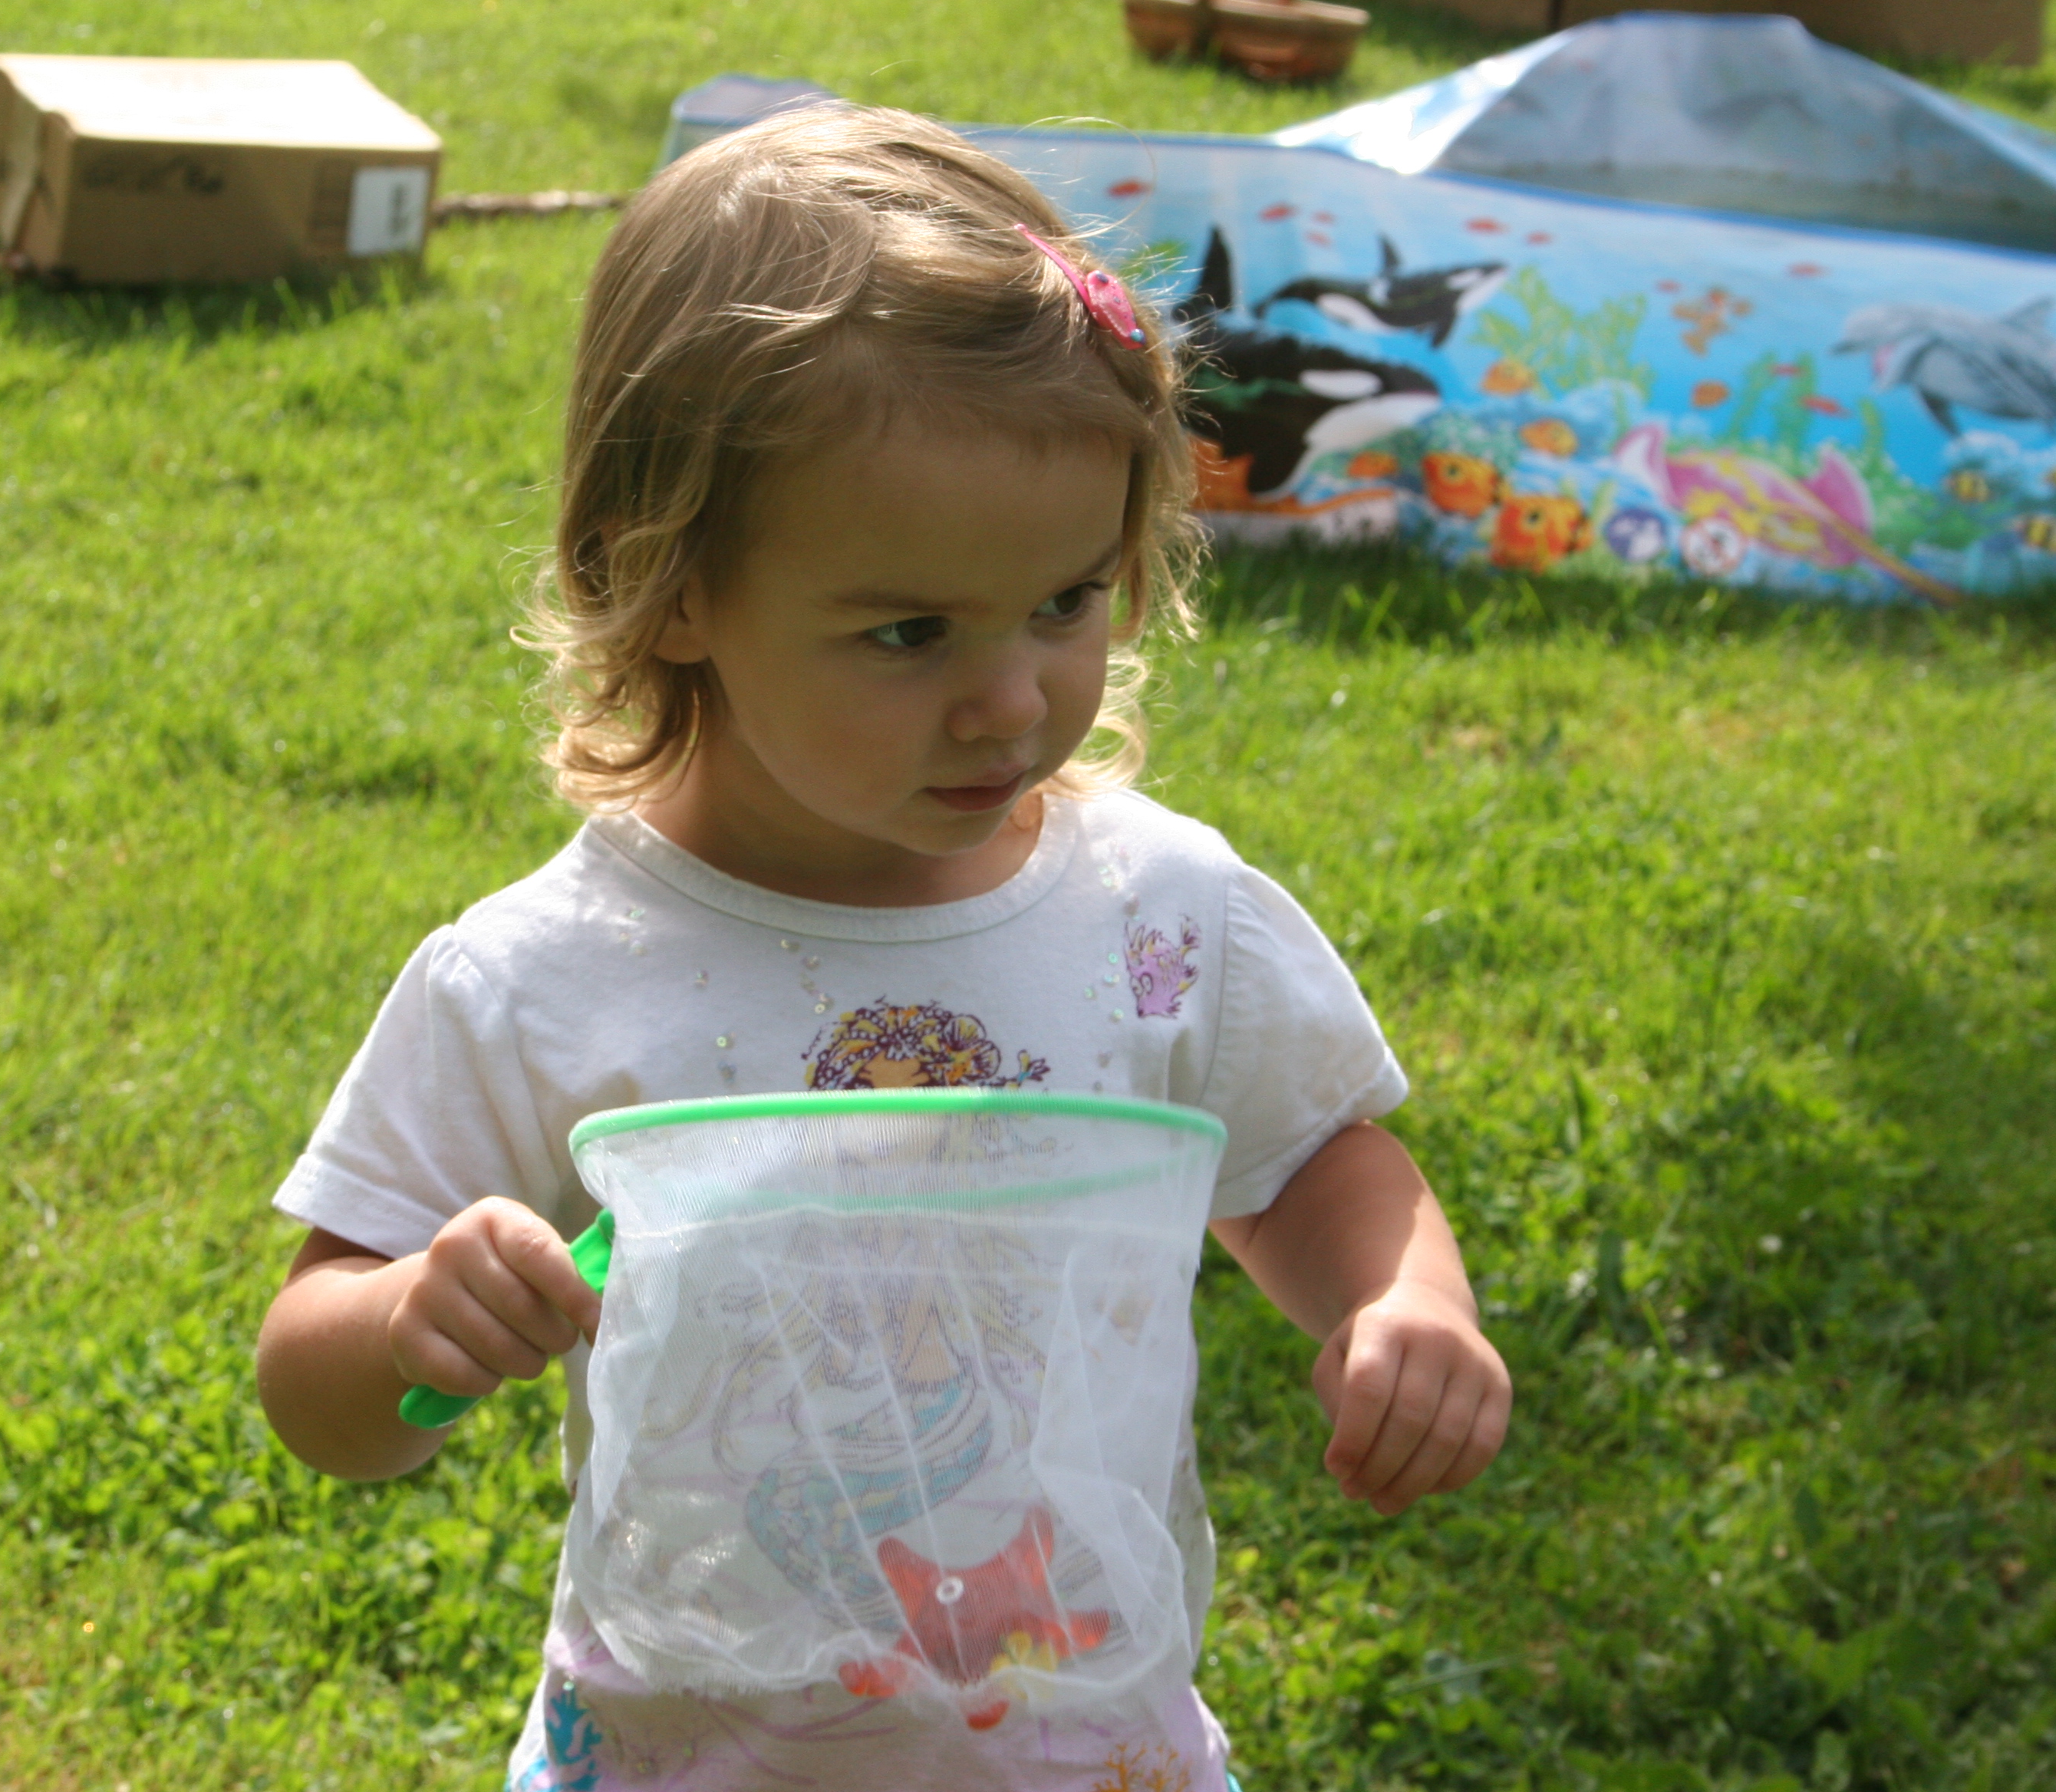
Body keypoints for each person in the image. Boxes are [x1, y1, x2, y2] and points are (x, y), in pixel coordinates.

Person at [255, 103, 1512, 1792]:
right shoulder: (548, 973)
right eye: (910, 632)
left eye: (1065, 602)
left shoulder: (1155, 916)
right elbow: (315, 1382)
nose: (1011, 700)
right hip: (689, 1751)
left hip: (1085, 1742)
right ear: (667, 585)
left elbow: (1306, 1163)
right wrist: (411, 1318)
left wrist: (1401, 1297)